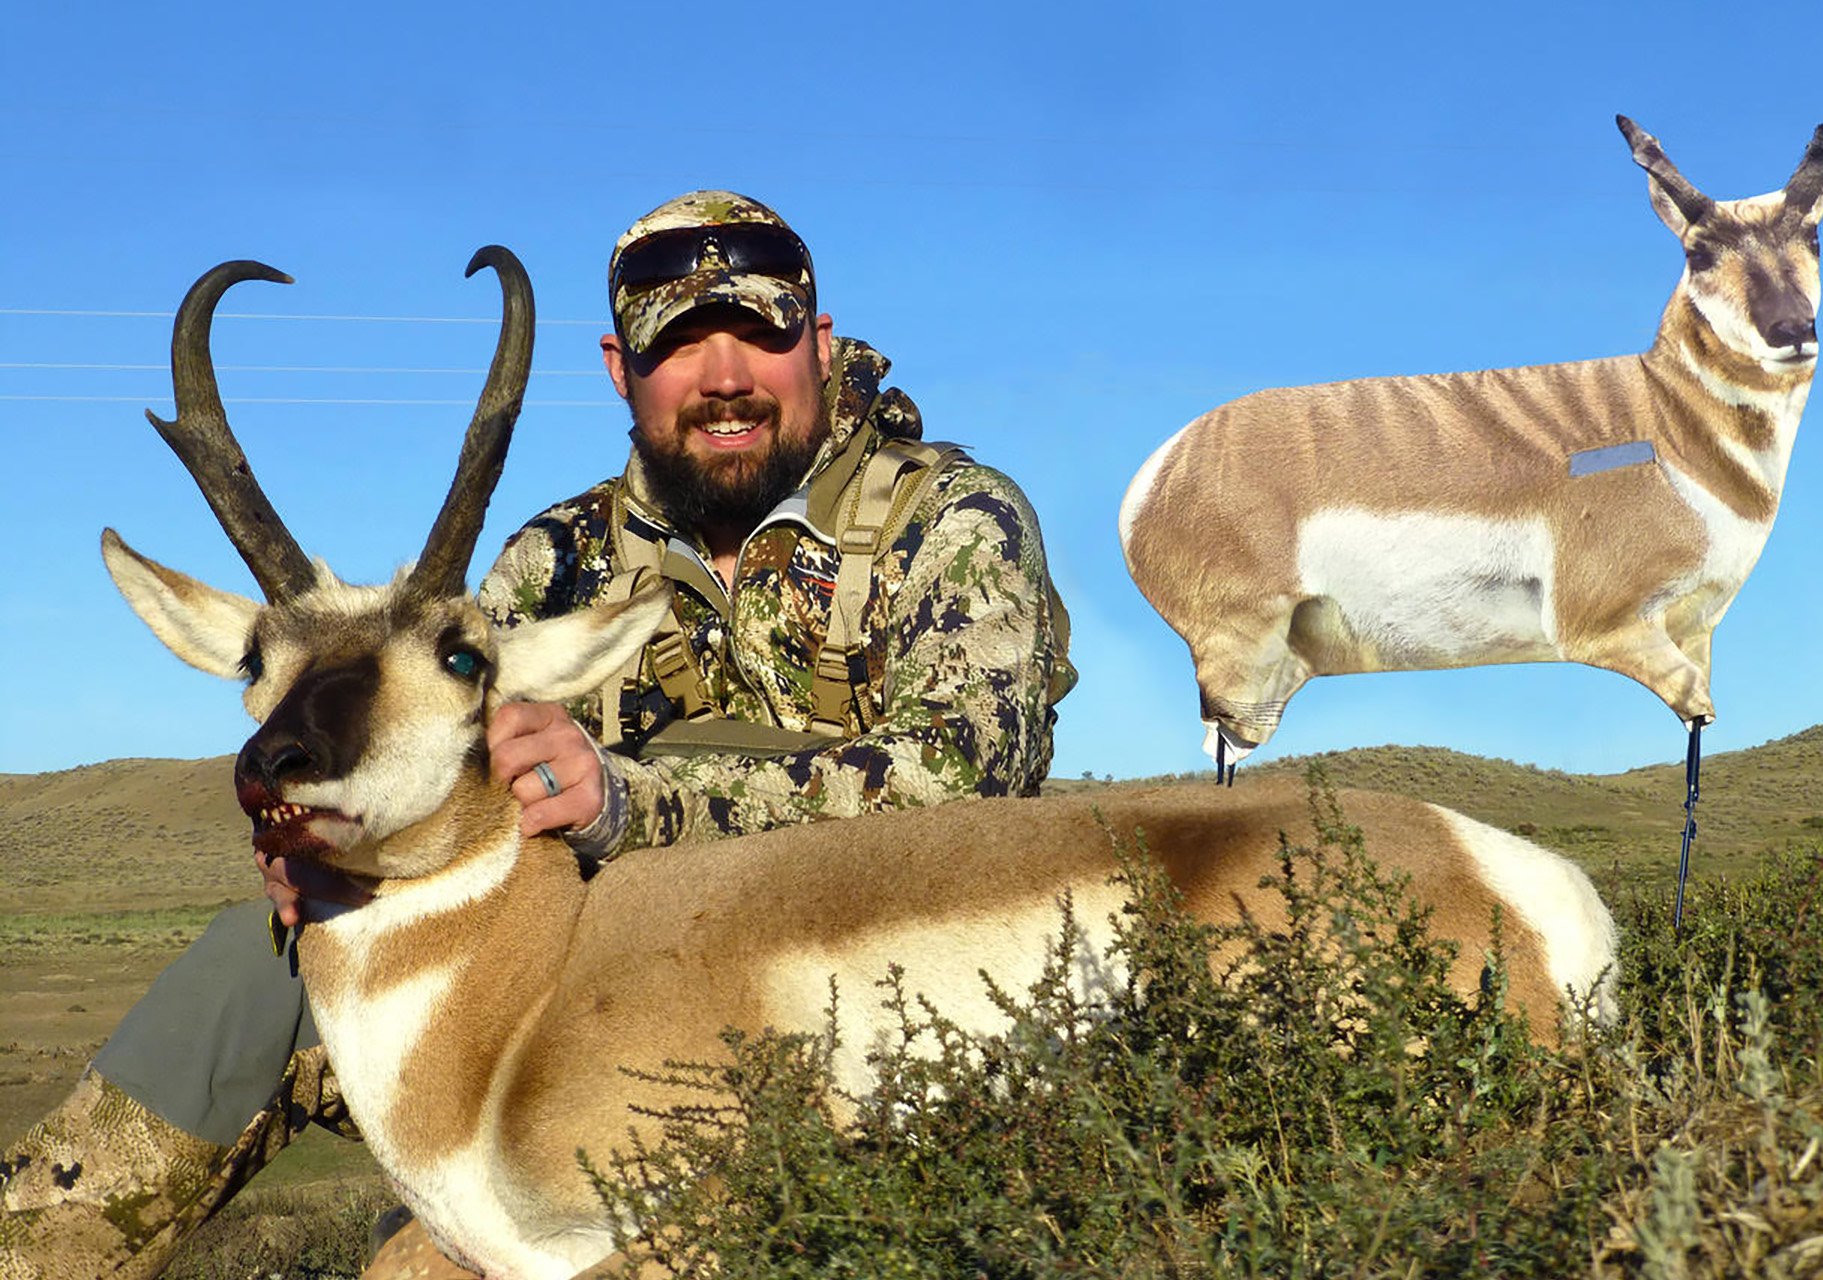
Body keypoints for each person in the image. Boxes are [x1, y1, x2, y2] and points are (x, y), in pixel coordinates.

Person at [0, 191, 1074, 1280]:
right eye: (679, 344)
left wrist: (636, 804)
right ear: (621, 366)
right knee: (254, 964)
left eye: (760, 331)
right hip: (578, 985)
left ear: (819, 342)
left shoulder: (952, 520)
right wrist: (316, 837)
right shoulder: (554, 559)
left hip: (840, 988)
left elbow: (969, 780)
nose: (725, 376)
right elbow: (438, 769)